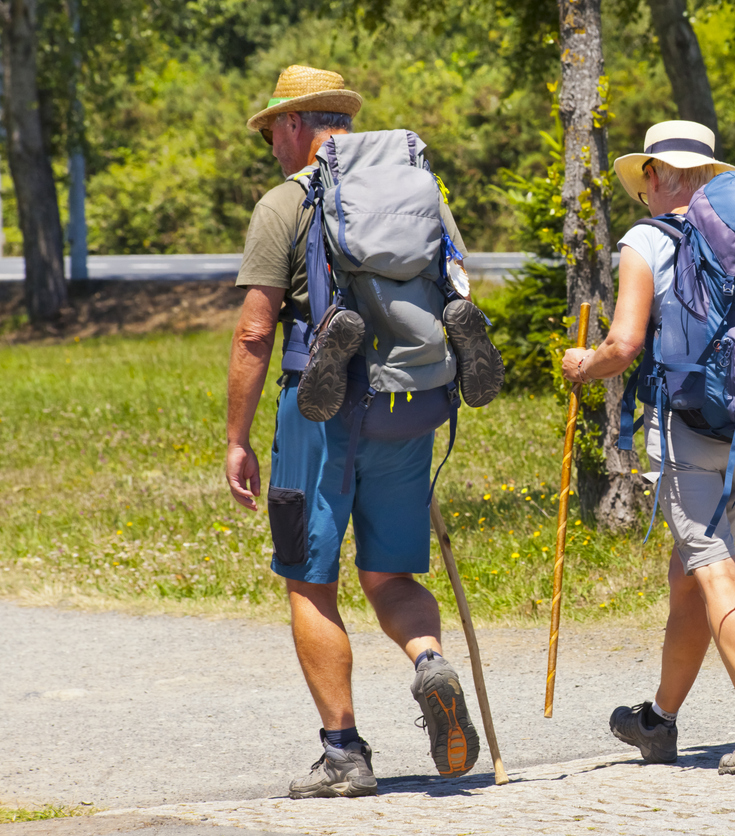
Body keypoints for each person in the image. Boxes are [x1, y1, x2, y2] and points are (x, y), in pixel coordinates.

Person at [225, 65, 480, 799]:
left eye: (274, 127)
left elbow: (253, 330)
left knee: (310, 581)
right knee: (391, 575)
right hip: (410, 402)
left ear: (299, 123)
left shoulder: (285, 202)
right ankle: (429, 660)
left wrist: (237, 437)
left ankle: (344, 755)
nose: (272, 140)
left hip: (321, 410)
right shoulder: (420, 190)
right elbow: (460, 288)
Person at [561, 120, 735, 775]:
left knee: (711, 565)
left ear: (657, 176)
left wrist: (584, 366)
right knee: (689, 572)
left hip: (688, 426)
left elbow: (625, 344)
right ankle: (658, 725)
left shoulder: (646, 239)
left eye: (647, 181)